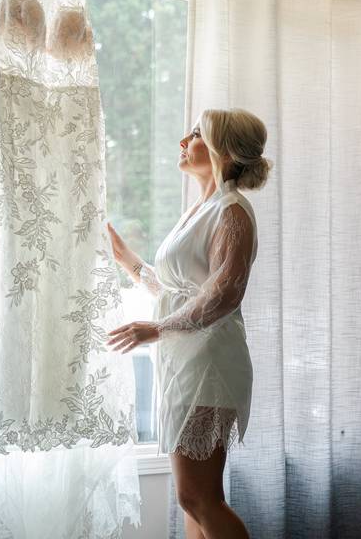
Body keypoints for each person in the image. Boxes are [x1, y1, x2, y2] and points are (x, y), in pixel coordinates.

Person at [106, 108, 271, 539]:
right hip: (184, 362)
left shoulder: (232, 211)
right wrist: (126, 259)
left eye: (196, 134)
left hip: (210, 363)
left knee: (198, 497)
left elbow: (223, 294)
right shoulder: (203, 207)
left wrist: (155, 329)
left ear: (224, 149)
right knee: (193, 501)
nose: (184, 140)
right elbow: (177, 291)